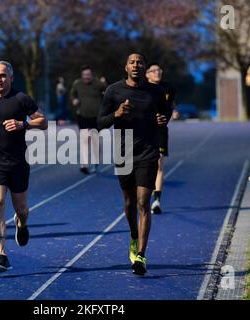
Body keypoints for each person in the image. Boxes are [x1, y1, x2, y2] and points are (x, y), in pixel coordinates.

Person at [0, 61, 47, 273]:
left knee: (21, 209)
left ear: (11, 78)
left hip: (17, 162)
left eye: (3, 76)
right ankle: (2, 255)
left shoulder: (21, 99)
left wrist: (23, 124)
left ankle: (21, 224)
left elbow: (43, 121)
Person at [98, 53, 168, 276]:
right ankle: (133, 234)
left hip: (148, 151)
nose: (136, 65)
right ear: (125, 67)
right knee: (129, 202)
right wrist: (117, 114)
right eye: (132, 62)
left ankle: (141, 255)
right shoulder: (113, 91)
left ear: (144, 67)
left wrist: (163, 119)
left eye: (140, 62)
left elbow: (165, 112)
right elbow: (100, 123)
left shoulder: (155, 91)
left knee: (143, 202)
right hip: (124, 151)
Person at [145, 62, 176, 214]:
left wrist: (171, 113)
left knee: (158, 163)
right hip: (143, 131)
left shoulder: (168, 88)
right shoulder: (141, 88)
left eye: (159, 70)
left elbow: (171, 105)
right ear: (147, 74)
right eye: (154, 70)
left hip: (160, 130)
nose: (158, 72)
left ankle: (157, 200)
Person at [70, 65, 107, 174]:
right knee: (85, 139)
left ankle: (95, 163)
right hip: (82, 115)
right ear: (82, 75)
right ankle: (84, 164)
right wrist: (74, 100)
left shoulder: (98, 83)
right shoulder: (77, 84)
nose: (86, 77)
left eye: (88, 75)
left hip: (96, 116)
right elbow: (72, 94)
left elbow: (108, 91)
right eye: (84, 75)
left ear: (92, 75)